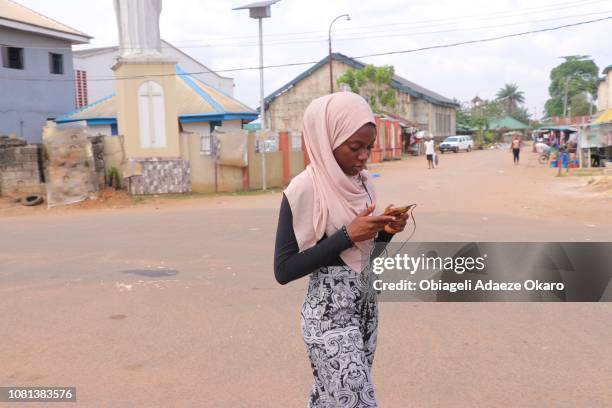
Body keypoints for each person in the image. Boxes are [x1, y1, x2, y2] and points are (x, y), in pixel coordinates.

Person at [274, 92, 410, 407]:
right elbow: (284, 270)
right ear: (326, 140)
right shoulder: (303, 189)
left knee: (330, 399)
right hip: (328, 316)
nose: (364, 156)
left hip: (364, 307)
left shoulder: (362, 184)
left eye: (368, 147)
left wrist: (386, 232)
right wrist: (347, 234)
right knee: (357, 401)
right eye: (354, 147)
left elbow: (364, 258)